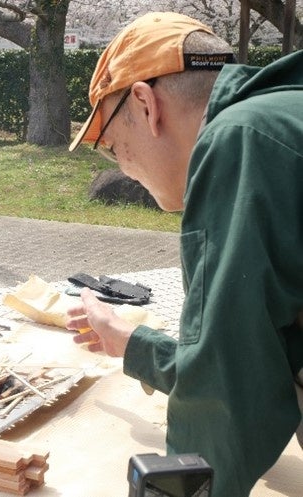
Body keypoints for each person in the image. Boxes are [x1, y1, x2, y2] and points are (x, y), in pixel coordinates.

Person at [67, 12, 303, 497]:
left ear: (145, 103)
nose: (125, 168)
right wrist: (132, 343)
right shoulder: (284, 118)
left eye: (113, 145)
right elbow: (256, 352)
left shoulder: (240, 139)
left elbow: (228, 387)